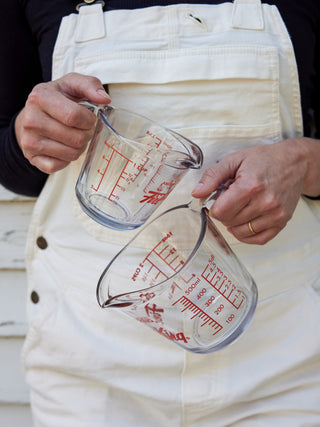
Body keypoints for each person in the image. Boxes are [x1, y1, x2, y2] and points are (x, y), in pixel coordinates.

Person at [1, 0, 320, 425]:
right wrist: (32, 134)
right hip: (91, 367)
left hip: (283, 360)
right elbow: (14, 166)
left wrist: (305, 163)